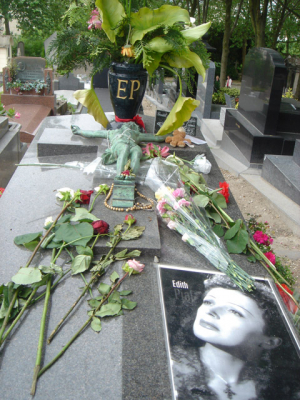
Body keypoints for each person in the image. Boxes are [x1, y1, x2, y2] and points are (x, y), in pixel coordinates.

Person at [171, 275, 300, 400]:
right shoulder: (171, 363)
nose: (212, 310)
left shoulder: (279, 387)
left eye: (235, 311)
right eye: (208, 302)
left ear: (270, 341)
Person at [71, 121, 169, 175]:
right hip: (119, 145)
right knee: (125, 148)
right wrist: (79, 131)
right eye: (128, 123)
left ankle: (131, 177)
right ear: (122, 126)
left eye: (133, 124)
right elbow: (94, 133)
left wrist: (171, 135)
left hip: (132, 145)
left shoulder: (137, 134)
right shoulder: (113, 132)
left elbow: (156, 137)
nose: (130, 124)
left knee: (137, 151)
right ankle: (120, 176)